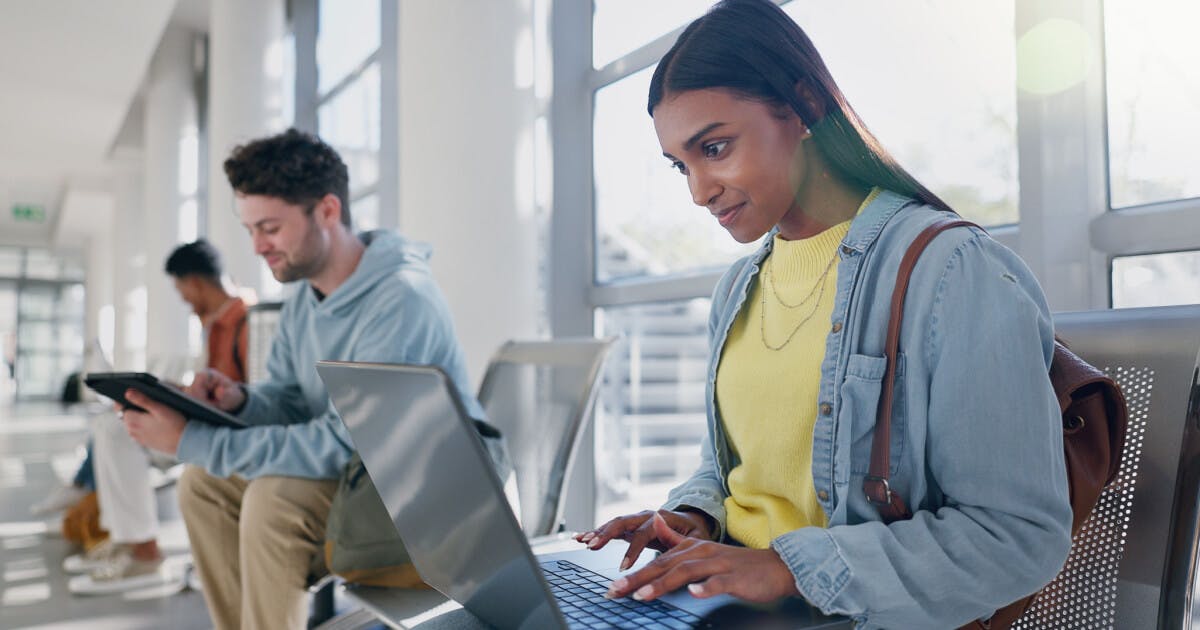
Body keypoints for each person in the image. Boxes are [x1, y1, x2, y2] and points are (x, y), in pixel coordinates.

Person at [576, 2, 1072, 628]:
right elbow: (731, 469)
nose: (699, 190)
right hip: (726, 609)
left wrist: (785, 569)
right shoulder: (738, 288)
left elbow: (1016, 537)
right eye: (683, 165)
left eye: (716, 147)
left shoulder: (951, 271)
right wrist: (691, 520)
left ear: (805, 106)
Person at [117, 128, 495, 630]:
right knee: (202, 485)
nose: (257, 247)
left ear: (328, 211)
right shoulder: (305, 294)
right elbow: (292, 396)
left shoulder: (401, 300)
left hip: (424, 495)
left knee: (273, 501)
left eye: (269, 228)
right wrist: (240, 402)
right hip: (361, 475)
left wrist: (194, 439)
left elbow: (343, 442)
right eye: (251, 229)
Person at [67, 239, 249, 595]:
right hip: (201, 422)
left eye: (180, 288)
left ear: (194, 281)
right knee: (112, 422)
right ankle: (128, 540)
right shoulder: (213, 325)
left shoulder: (247, 321)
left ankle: (144, 553)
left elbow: (251, 393)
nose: (182, 298)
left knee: (119, 432)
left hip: (221, 435)